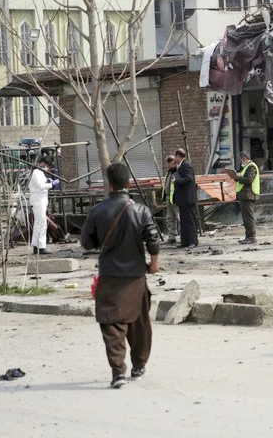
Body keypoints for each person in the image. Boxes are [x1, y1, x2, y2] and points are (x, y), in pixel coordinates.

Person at [81, 163, 159, 389]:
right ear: (128, 183)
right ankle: (139, 365)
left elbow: (87, 242)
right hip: (136, 276)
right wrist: (153, 264)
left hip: (110, 276)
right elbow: (153, 239)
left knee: (112, 324)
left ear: (110, 183)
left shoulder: (97, 211)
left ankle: (118, 372)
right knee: (139, 322)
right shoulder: (141, 210)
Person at [28, 156, 59, 255]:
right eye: (46, 166)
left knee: (40, 223)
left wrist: (48, 181)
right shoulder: (36, 172)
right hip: (38, 200)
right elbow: (41, 186)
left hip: (40, 200)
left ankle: (37, 246)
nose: (47, 168)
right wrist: (52, 184)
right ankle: (40, 247)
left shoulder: (40, 173)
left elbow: (42, 184)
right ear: (43, 164)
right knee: (41, 224)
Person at [172, 148, 199, 249]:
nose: (174, 158)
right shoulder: (180, 166)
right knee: (184, 221)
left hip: (188, 198)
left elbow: (189, 178)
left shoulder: (186, 165)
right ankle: (185, 242)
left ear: (179, 156)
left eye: (175, 156)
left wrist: (176, 181)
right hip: (183, 199)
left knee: (190, 220)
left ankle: (192, 241)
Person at [232, 151, 260, 244]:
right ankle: (248, 236)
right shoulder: (247, 167)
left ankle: (251, 237)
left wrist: (236, 177)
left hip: (249, 195)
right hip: (245, 195)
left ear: (244, 158)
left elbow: (249, 180)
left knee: (248, 217)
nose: (241, 161)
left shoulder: (251, 166)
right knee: (246, 217)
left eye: (241, 159)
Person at [161, 155, 180, 244]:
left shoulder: (177, 171)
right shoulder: (169, 172)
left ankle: (183, 236)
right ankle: (172, 236)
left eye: (167, 163)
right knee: (170, 218)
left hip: (175, 198)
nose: (166, 165)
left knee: (179, 217)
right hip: (169, 197)